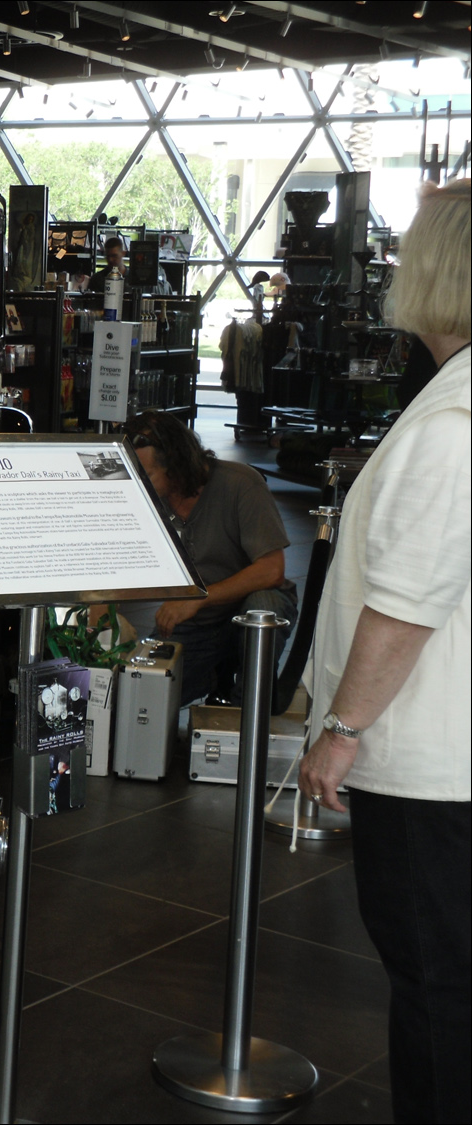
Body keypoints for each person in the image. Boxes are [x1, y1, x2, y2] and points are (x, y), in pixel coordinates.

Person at [296, 178, 470, 1125]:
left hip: (433, 770)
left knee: (436, 984)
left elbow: (408, 603)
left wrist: (341, 729)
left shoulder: (453, 427)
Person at [118, 410, 296, 704]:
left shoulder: (241, 483)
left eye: (146, 474)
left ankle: (247, 709)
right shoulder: (151, 501)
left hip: (244, 605)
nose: (139, 483)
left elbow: (271, 570)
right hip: (198, 623)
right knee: (144, 697)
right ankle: (217, 676)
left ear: (175, 464)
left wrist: (197, 598)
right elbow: (120, 565)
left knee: (262, 608)